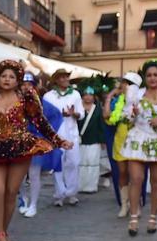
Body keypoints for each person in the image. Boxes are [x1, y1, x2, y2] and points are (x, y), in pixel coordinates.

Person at [0, 60, 67, 241]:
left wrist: (59, 140)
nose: (7, 79)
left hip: (20, 148)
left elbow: (40, 122)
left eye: (11, 76)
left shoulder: (26, 98)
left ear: (18, 80)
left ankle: (4, 229)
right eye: (4, 76)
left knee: (11, 192)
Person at [119, 60, 157, 236]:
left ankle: (153, 218)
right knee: (136, 179)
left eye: (156, 75)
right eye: (149, 75)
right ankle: (134, 218)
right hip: (138, 139)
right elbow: (125, 117)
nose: (152, 78)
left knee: (156, 182)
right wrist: (132, 114)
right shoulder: (135, 94)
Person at [19, 74, 66, 219]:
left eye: (30, 84)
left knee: (34, 174)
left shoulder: (42, 103)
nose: (26, 87)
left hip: (35, 143)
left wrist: (47, 137)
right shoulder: (15, 102)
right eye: (24, 84)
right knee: (19, 177)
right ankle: (23, 198)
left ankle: (33, 204)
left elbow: (56, 116)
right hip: (19, 143)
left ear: (35, 86)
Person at [43, 69, 84, 207]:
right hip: (56, 134)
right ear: (56, 80)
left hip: (72, 134)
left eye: (67, 77)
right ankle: (59, 194)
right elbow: (44, 116)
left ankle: (71, 193)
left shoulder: (75, 94)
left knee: (74, 163)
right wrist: (60, 114)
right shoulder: (49, 96)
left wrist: (73, 114)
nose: (66, 79)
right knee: (58, 164)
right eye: (63, 77)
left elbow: (81, 114)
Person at [108, 72, 142, 218]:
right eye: (123, 82)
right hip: (120, 140)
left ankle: (136, 204)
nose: (123, 85)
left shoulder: (141, 101)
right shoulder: (118, 101)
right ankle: (124, 204)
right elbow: (107, 117)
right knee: (122, 173)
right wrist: (109, 97)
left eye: (126, 83)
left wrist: (136, 114)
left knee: (135, 175)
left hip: (135, 141)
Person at [77, 87, 108, 194]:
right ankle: (80, 185)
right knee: (80, 163)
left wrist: (102, 140)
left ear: (94, 97)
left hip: (94, 139)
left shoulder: (97, 109)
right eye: (86, 95)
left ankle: (91, 186)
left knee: (92, 163)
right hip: (80, 140)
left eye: (90, 95)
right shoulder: (78, 109)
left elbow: (101, 125)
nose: (88, 97)